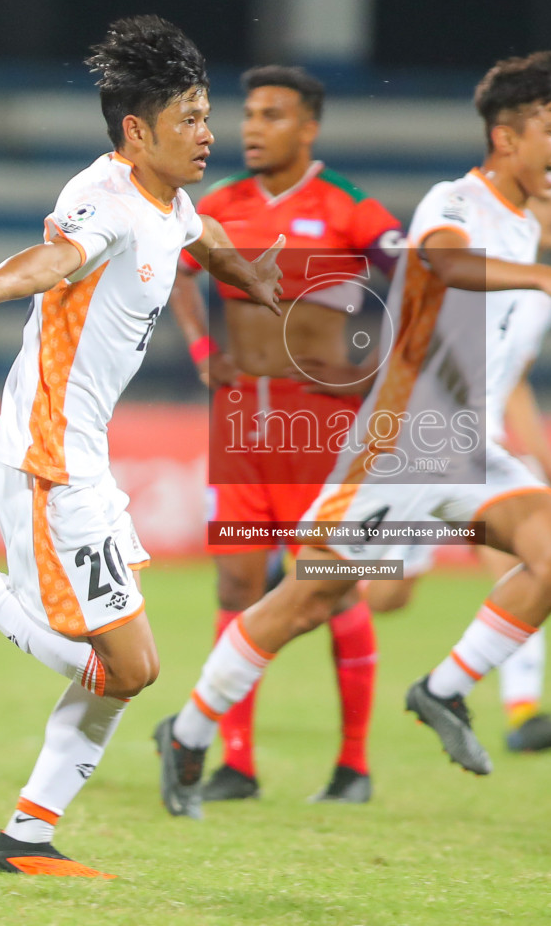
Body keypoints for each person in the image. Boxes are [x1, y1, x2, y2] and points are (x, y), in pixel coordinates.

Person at [0, 15, 283, 876]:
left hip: (81, 459)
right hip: (47, 462)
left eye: (208, 114)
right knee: (130, 667)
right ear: (138, 130)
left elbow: (199, 235)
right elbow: (56, 261)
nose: (210, 134)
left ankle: (25, 838)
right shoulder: (105, 197)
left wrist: (255, 278)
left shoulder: (168, 198)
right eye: (191, 118)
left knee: (124, 668)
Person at [154, 50, 551, 820]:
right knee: (307, 601)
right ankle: (191, 730)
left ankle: (442, 692)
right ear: (507, 138)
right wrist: (541, 278)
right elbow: (440, 259)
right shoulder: (457, 201)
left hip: (465, 443)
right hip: (400, 445)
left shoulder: (523, 226)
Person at [165, 65, 403, 805]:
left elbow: (417, 277)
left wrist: (376, 362)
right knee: (238, 581)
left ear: (309, 127)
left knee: (331, 583)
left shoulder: (349, 208)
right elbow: (175, 272)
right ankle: (236, 761)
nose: (252, 127)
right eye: (250, 114)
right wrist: (204, 352)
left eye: (273, 114)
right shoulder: (220, 202)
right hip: (242, 423)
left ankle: (354, 766)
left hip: (319, 424)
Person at [364, 180, 551, 754]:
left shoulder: (539, 299)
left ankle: (522, 712)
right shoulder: (478, 272)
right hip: (426, 442)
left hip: (479, 449)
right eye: (548, 201)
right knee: (388, 597)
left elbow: (513, 386)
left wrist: (545, 461)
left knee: (532, 560)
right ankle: (300, 574)